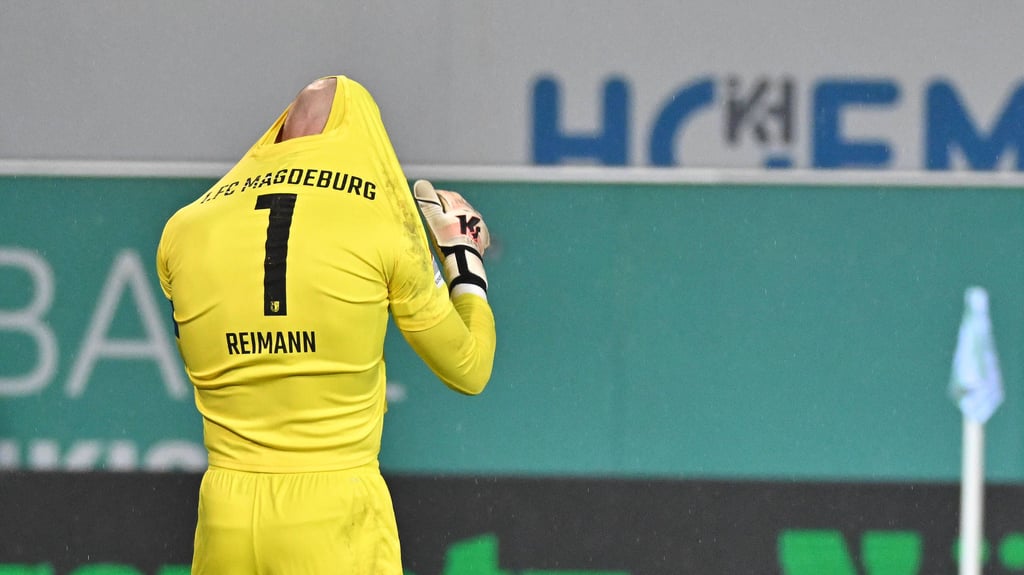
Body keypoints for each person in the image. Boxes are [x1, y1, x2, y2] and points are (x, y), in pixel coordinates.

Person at [156, 75, 496, 574]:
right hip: (336, 518)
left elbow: (203, 352)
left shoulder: (184, 229)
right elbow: (469, 368)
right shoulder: (384, 229)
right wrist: (464, 256)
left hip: (224, 517)